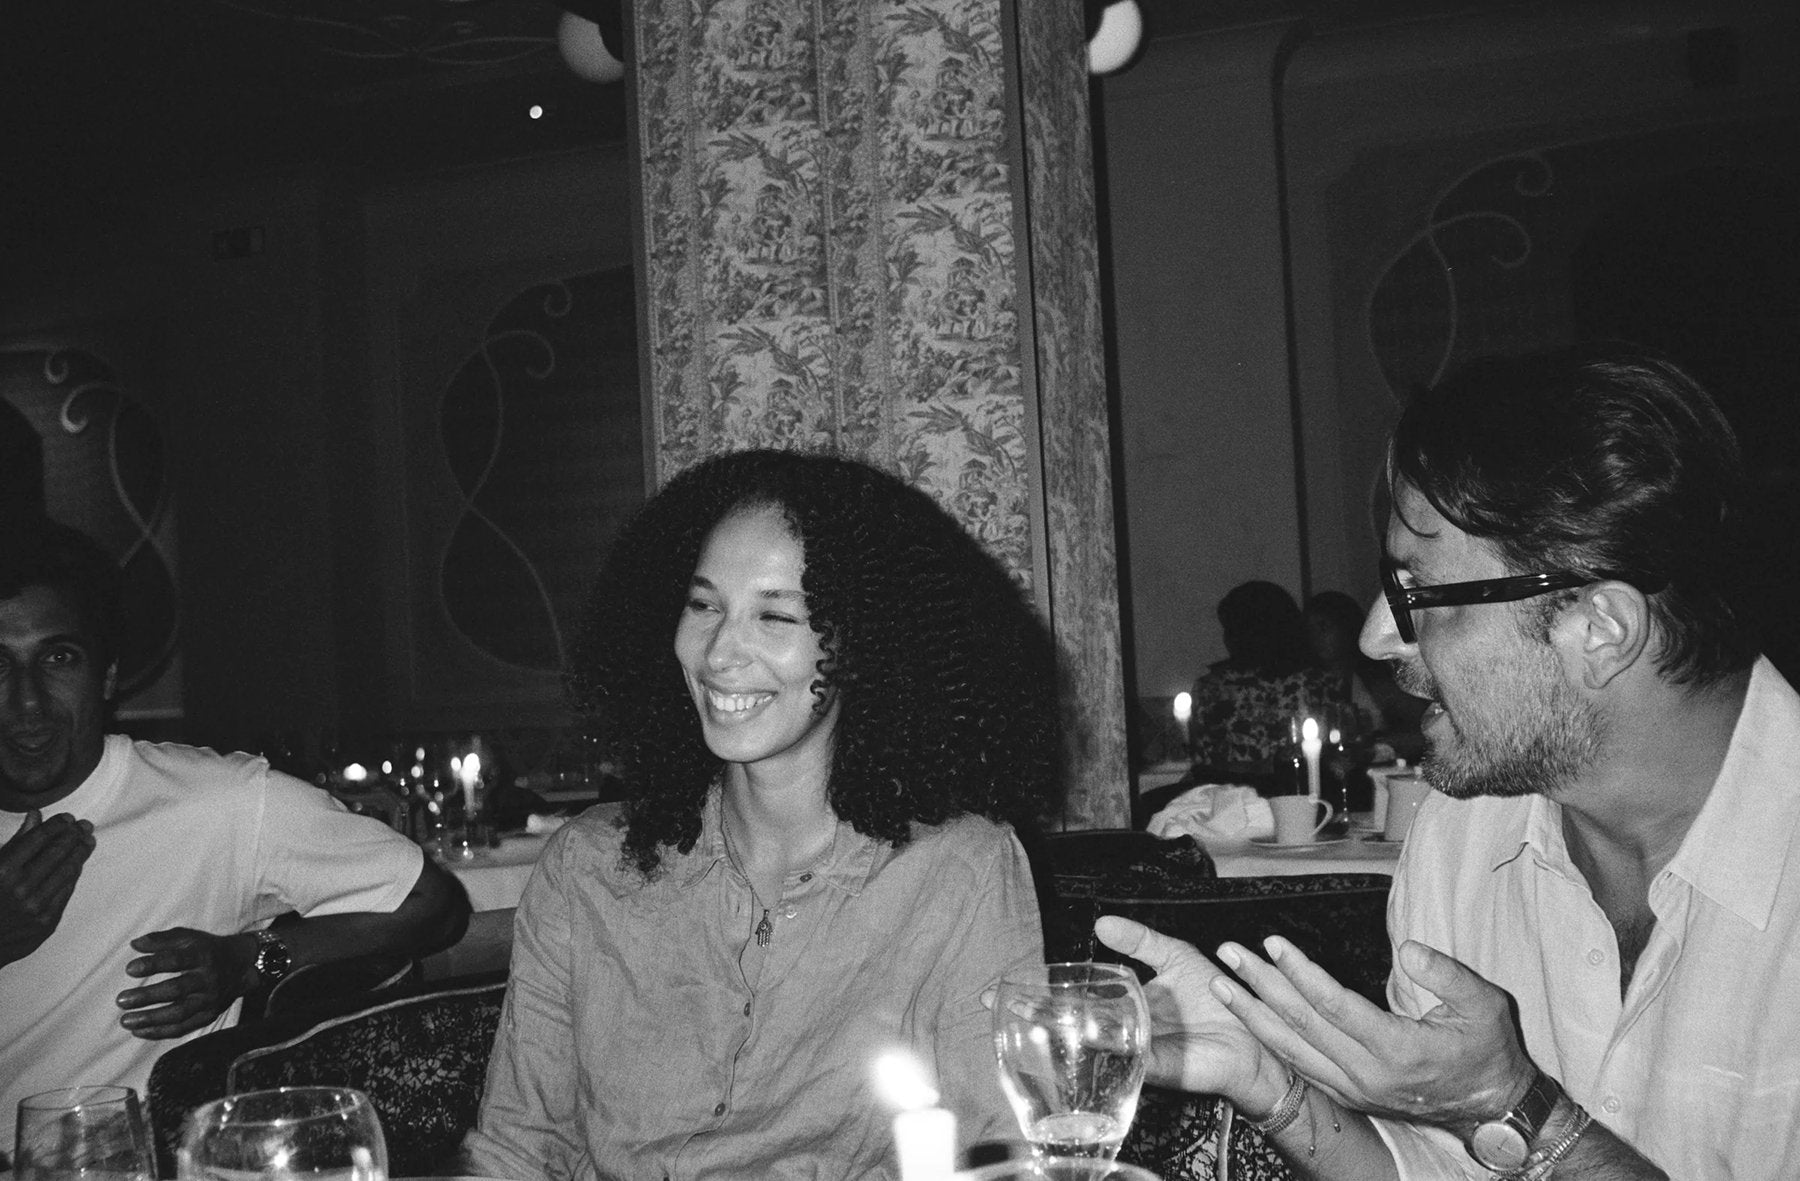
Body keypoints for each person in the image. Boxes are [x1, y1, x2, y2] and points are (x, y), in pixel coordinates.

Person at [1099, 346, 1798, 1179]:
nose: (1375, 637)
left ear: (1599, 630)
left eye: (1415, 591)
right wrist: (1273, 1085)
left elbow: (1507, 1119)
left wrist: (1520, 1111)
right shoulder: (1463, 833)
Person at [463, 449, 1058, 1180]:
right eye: (704, 604)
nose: (718, 651)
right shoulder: (587, 867)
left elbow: (1000, 1156)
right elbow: (516, 1151)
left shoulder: (962, 872)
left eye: (775, 614)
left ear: (861, 643)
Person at [0, 514, 470, 1148]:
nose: (26, 700)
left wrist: (248, 961)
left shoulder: (218, 802)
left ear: (107, 675)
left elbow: (432, 906)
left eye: (58, 658)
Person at [1187, 580, 1347, 777]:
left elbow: (1204, 765)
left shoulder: (1209, 687)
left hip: (1234, 800)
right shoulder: (1318, 682)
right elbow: (1334, 758)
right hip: (1301, 795)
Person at [1302, 590, 1425, 760]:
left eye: (1324, 627)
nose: (1316, 637)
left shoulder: (1376, 677)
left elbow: (1422, 731)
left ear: (1345, 627)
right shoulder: (1305, 682)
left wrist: (1374, 744)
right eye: (1310, 630)